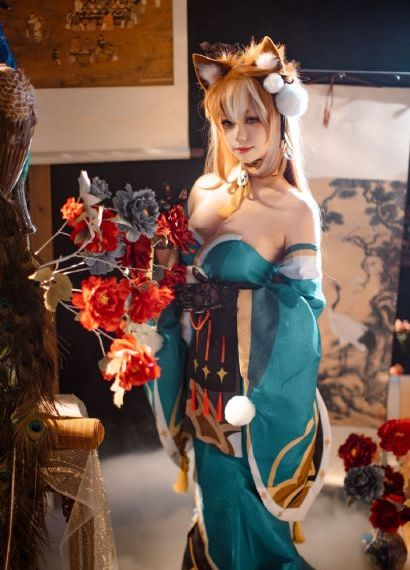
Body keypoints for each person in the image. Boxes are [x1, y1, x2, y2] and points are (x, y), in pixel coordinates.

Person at [147, 36, 331, 570]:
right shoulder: (205, 190)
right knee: (213, 498)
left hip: (255, 391)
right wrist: (159, 264)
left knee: (250, 509)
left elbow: (306, 307)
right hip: (202, 377)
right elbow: (174, 285)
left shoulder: (295, 210)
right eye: (227, 123)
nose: (240, 136)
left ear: (279, 116)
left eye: (252, 119)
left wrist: (221, 297)